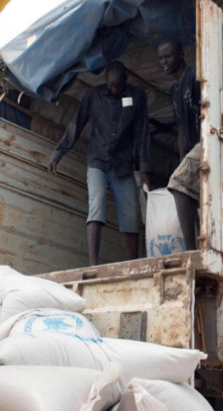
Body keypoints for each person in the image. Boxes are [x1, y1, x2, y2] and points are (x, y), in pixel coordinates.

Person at [49, 61, 151, 266]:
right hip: (98, 161)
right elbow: (76, 124)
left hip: (123, 165)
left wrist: (144, 170)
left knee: (131, 217)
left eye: (117, 86)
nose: (113, 90)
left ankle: (132, 264)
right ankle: (93, 265)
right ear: (105, 81)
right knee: (96, 208)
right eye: (110, 86)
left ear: (126, 80)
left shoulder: (137, 97)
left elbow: (142, 134)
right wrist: (58, 153)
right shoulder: (94, 96)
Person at [158, 39, 201, 250]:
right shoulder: (174, 90)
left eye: (167, 56)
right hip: (193, 149)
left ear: (181, 55)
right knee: (190, 192)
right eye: (160, 58)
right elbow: (181, 129)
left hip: (207, 143)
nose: (163, 62)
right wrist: (183, 159)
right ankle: (198, 245)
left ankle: (190, 250)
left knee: (178, 182)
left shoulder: (194, 76)